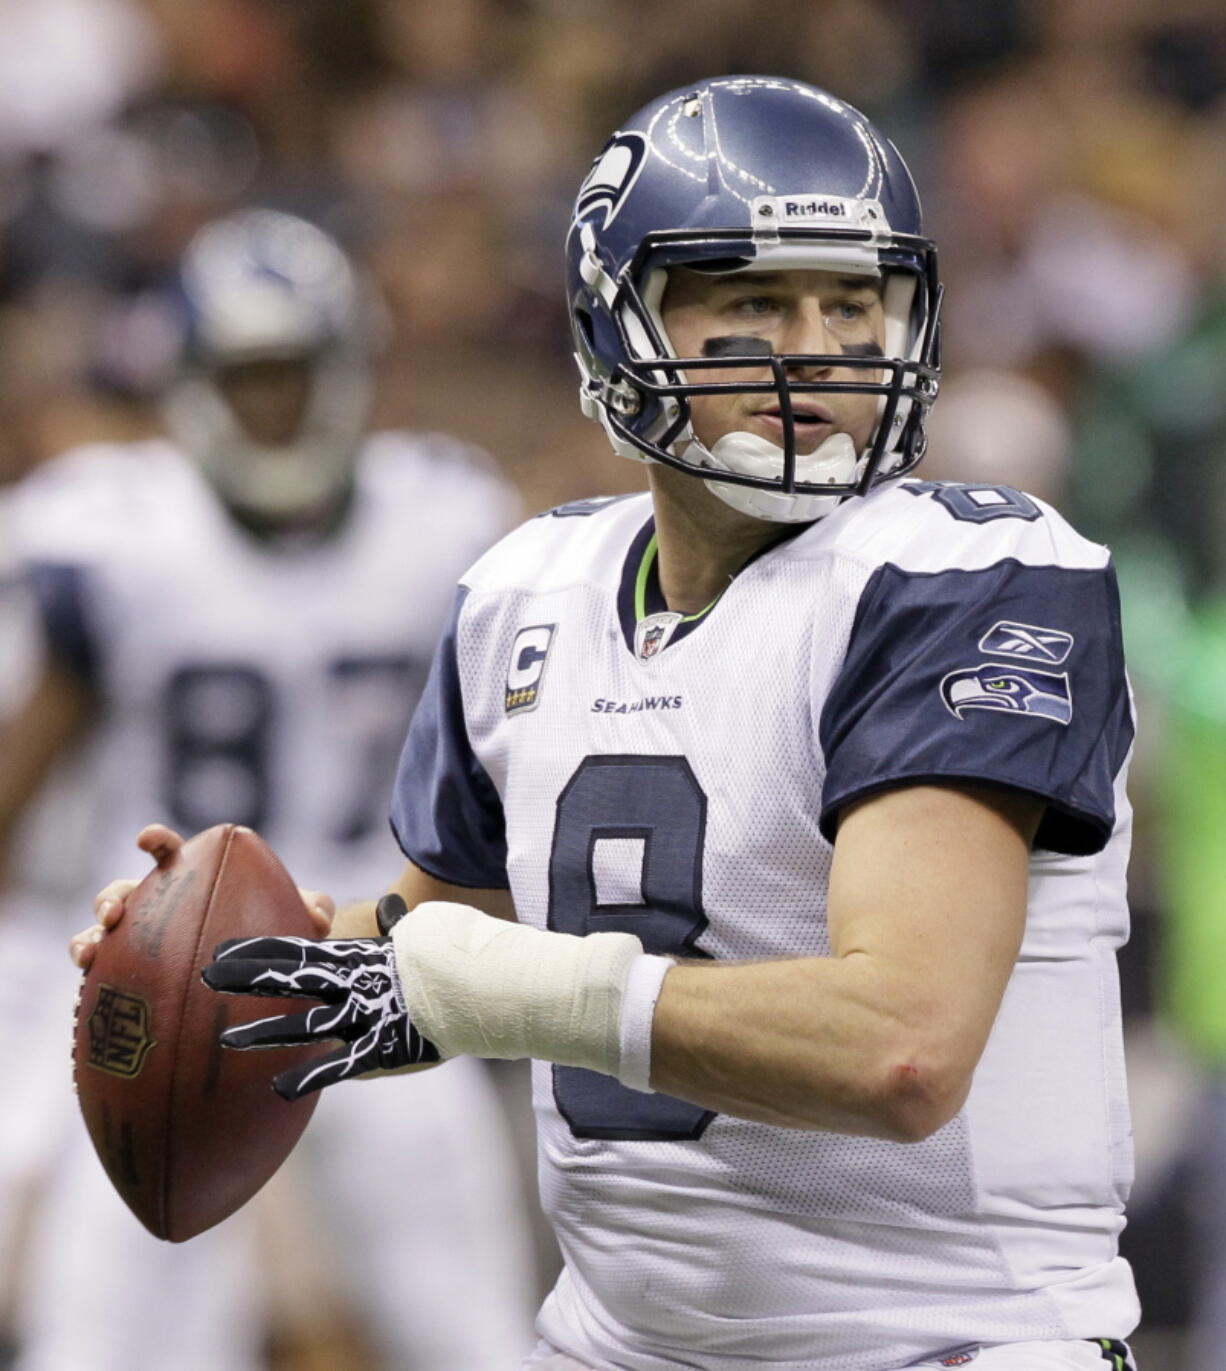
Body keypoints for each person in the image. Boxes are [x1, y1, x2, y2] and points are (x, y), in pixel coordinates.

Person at [79, 79, 1141, 1371]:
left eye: (852, 301)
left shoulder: (968, 577)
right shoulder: (528, 591)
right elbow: (431, 955)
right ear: (617, 317)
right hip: (616, 1340)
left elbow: (900, 1046)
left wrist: (527, 987)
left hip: (942, 1341)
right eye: (751, 299)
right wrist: (213, 968)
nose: (813, 348)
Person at [12, 208, 537, 1371]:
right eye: (247, 376)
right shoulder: (110, 534)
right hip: (153, 976)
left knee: (468, 1330)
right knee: (108, 1338)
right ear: (194, 381)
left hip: (379, 963)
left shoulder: (442, 514)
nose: (274, 404)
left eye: (293, 372)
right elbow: (20, 773)